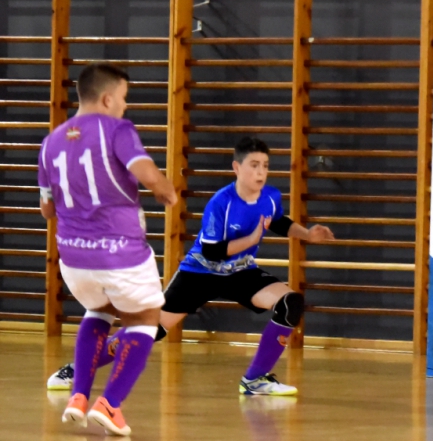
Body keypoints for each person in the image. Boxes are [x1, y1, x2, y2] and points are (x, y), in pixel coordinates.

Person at [47, 137, 334, 396]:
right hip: (200, 273)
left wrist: (307, 234)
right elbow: (212, 251)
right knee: (151, 330)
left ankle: (255, 380)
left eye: (266, 166)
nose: (261, 172)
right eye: (254, 165)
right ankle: (78, 368)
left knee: (290, 303)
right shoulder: (221, 203)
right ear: (237, 168)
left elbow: (279, 221)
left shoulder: (270, 196)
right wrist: (251, 239)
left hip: (240, 272)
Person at [42, 63, 178, 436]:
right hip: (120, 253)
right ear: (106, 98)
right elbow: (147, 173)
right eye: (123, 98)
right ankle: (110, 404)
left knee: (98, 310)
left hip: (73, 257)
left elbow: (47, 209)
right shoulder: (117, 129)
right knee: (145, 320)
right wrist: (166, 190)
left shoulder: (51, 142)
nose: (124, 106)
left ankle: (78, 396)